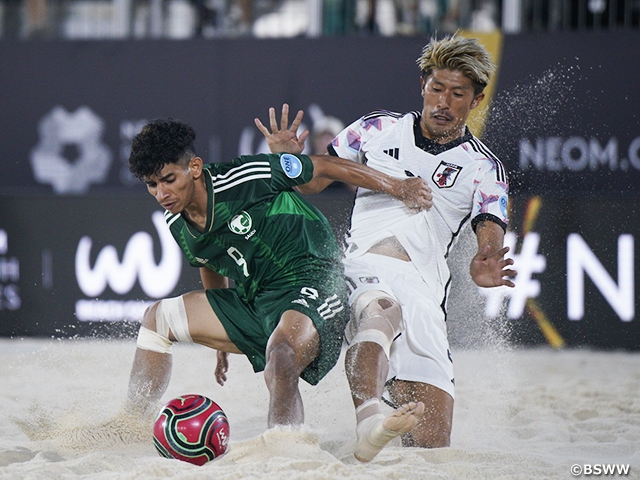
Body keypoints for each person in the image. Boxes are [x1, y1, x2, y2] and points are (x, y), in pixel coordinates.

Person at [255, 35, 516, 462]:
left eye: (457, 94)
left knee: (431, 446)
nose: (443, 103)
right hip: (363, 266)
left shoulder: (484, 167)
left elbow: (491, 226)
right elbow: (313, 181)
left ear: (477, 99)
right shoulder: (377, 128)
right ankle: (367, 423)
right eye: (436, 89)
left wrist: (485, 256)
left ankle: (375, 422)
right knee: (377, 310)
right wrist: (289, 162)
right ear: (422, 86)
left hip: (425, 294)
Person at [124, 118, 432, 430]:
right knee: (156, 318)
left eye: (168, 179)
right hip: (257, 298)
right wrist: (219, 338)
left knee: (282, 355)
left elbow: (324, 166)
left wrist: (399, 186)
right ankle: (132, 423)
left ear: (193, 167)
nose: (162, 193)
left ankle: (286, 446)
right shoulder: (176, 221)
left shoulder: (244, 176)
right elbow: (210, 261)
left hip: (312, 275)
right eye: (153, 185)